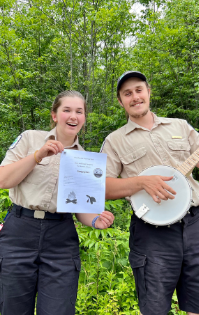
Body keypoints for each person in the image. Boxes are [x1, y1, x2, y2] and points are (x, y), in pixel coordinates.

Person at [101, 71, 199, 315]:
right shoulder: (114, 141)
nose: (135, 97)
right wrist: (142, 182)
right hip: (151, 234)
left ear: (149, 92)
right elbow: (104, 187)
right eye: (127, 93)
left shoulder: (180, 126)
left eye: (139, 90)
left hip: (194, 226)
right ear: (120, 101)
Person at [0, 90, 115, 314]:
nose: (73, 116)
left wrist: (95, 220)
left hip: (61, 238)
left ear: (84, 118)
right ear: (54, 115)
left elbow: (80, 210)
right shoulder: (30, 138)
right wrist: (37, 155)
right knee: (12, 308)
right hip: (19, 232)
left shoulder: (86, 160)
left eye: (79, 112)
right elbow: (3, 179)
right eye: (67, 110)